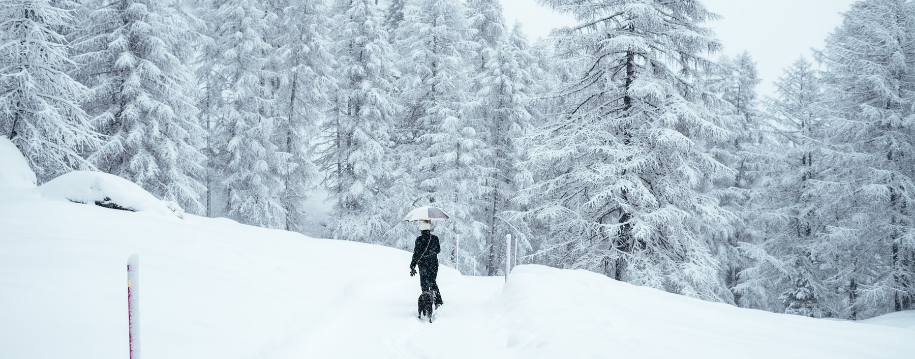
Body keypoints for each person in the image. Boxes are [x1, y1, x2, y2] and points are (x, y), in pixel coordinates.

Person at [410, 220, 443, 308]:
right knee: (432, 281)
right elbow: (438, 250)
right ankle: (437, 301)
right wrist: (431, 252)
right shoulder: (435, 238)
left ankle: (426, 300)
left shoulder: (419, 240)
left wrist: (412, 266)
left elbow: (416, 254)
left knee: (424, 282)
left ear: (421, 230)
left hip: (423, 264)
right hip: (433, 264)